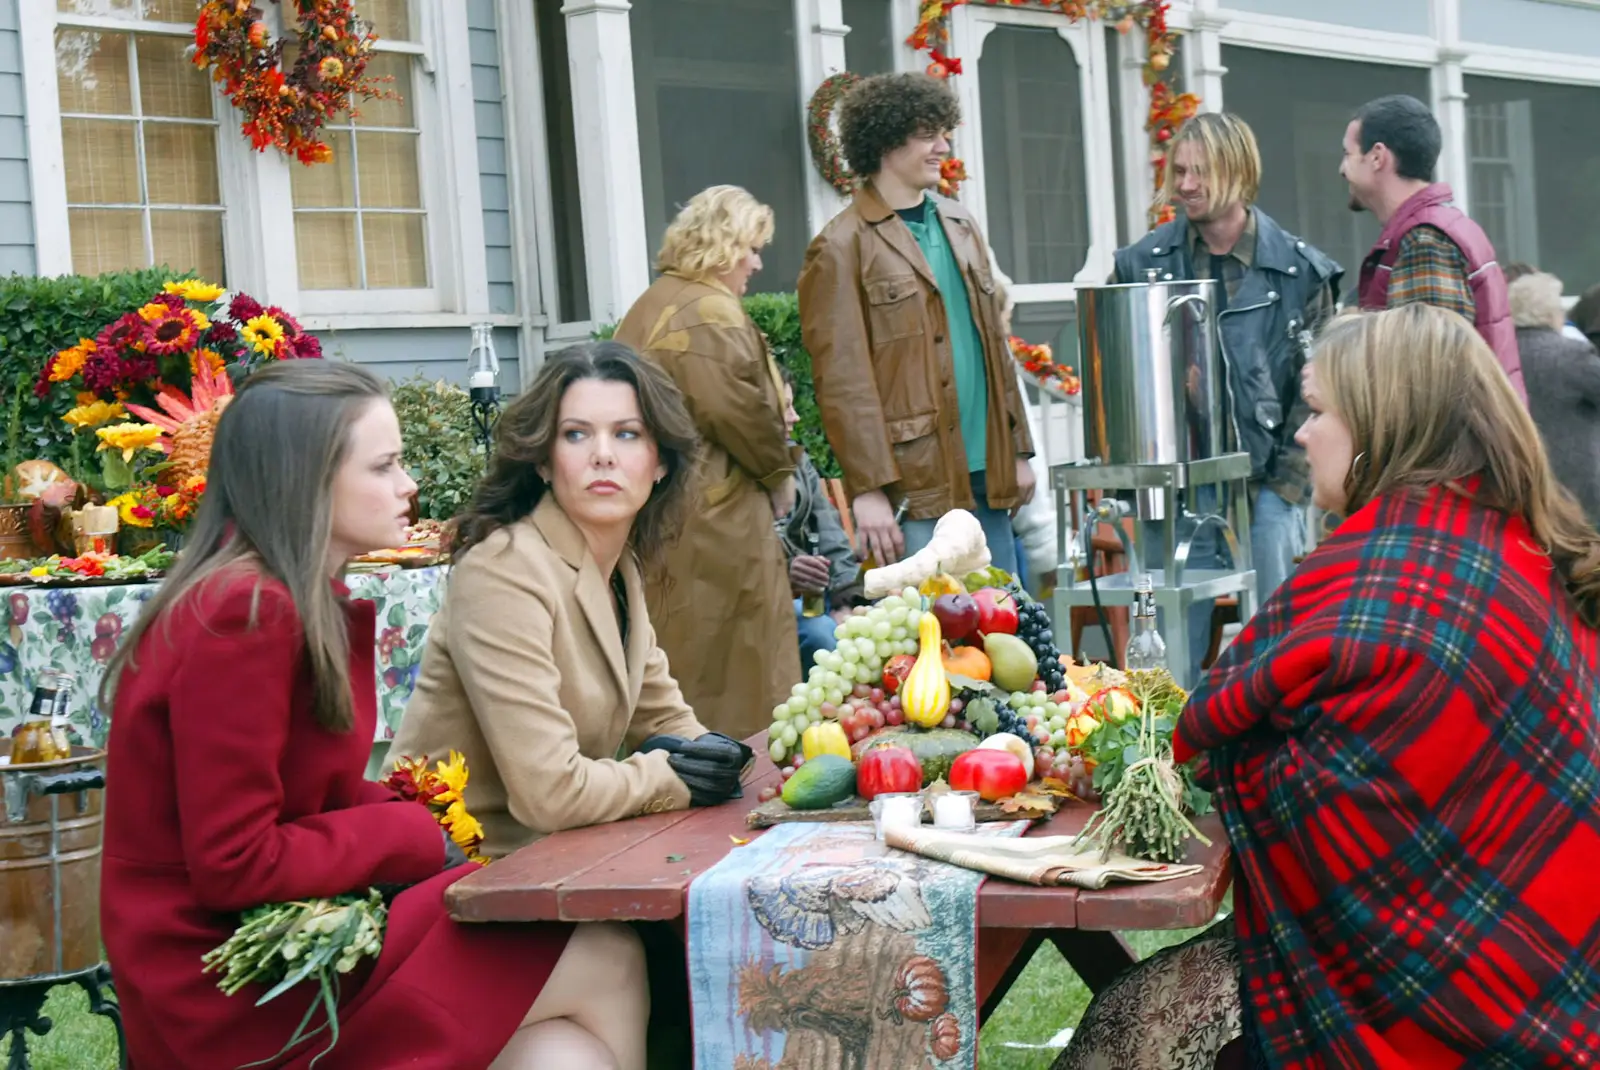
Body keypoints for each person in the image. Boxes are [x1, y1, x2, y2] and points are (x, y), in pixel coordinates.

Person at [1056, 303, 1600, 1069]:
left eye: (1317, 412)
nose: (1302, 435)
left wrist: (1251, 759)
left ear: (1382, 428)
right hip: (1556, 972)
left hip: (1446, 1006)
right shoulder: (1512, 540)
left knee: (1121, 1030)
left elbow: (1211, 743)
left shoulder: (1373, 573)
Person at [99, 360, 657, 1070]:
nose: (409, 486)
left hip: (292, 929)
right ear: (307, 478)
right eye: (385, 466)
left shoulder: (281, 598)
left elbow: (304, 800)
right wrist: (414, 832)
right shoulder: (243, 612)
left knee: (560, 1054)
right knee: (601, 949)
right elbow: (234, 863)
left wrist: (412, 821)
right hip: (223, 978)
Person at [391, 342, 752, 861]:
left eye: (626, 434)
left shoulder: (618, 568)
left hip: (563, 859)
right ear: (542, 461)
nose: (602, 454)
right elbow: (550, 795)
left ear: (660, 464)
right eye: (576, 434)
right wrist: (675, 776)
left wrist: (723, 759)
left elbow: (666, 720)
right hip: (457, 866)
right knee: (639, 939)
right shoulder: (504, 569)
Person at [1111, 111, 1341, 678]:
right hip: (1174, 489)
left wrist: (1286, 489)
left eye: (1200, 172)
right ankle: (1165, 761)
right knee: (1164, 657)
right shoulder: (1141, 265)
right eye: (1179, 171)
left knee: (1279, 641)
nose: (1185, 185)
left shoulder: (1298, 271)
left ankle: (1278, 758)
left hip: (1267, 483)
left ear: (1239, 173)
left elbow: (1319, 386)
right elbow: (1120, 374)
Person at [798, 72, 1035, 576]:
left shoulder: (961, 224)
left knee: (1010, 633)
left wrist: (1018, 449)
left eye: (944, 133)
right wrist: (867, 488)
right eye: (929, 134)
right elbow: (843, 384)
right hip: (915, 484)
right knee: (932, 640)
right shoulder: (840, 247)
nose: (943, 146)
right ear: (885, 140)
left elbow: (996, 348)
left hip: (987, 473)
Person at [612, 186, 800, 740]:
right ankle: (735, 777)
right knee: (741, 665)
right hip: (714, 519)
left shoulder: (658, 299)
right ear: (725, 246)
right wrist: (777, 473)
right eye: (752, 248)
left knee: (680, 652)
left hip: (669, 509)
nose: (757, 263)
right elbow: (737, 407)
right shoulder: (710, 310)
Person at [1342, 93, 1525, 399]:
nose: (1341, 168)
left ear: (1377, 157)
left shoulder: (1425, 241)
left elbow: (1429, 386)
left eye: (1347, 154)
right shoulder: (1440, 228)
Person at [773, 366, 862, 670]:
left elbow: (827, 528)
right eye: (785, 406)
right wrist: (784, 573)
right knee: (821, 635)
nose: (795, 416)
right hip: (764, 610)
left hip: (815, 600)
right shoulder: (724, 472)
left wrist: (846, 601)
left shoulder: (794, 459)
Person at [1511, 271, 1600, 526]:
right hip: (1576, 487)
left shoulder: (1497, 352)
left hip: (1523, 479)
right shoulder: (1573, 355)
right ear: (1550, 313)